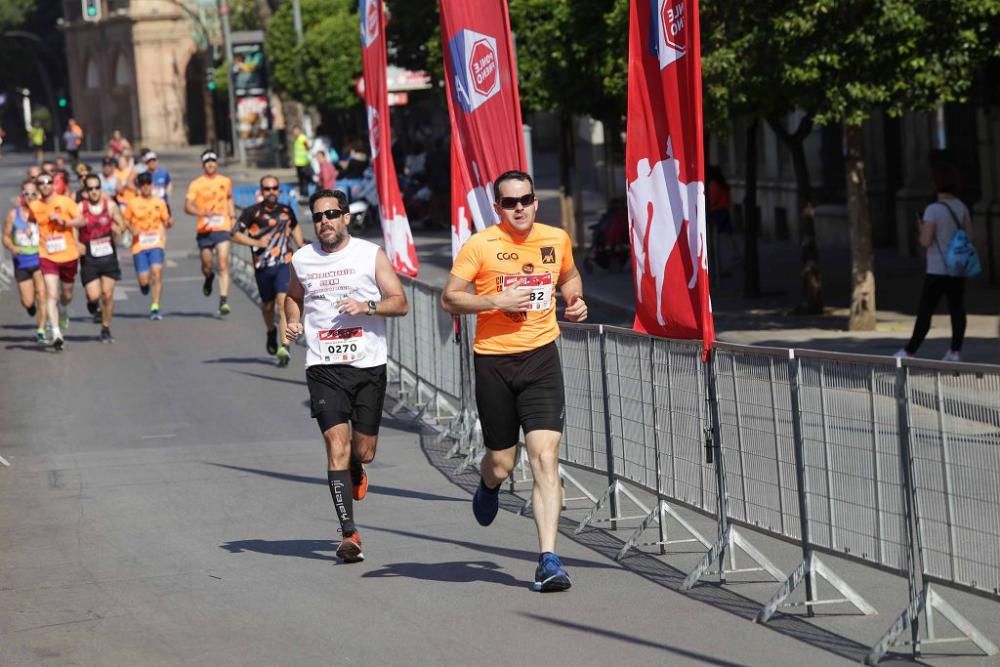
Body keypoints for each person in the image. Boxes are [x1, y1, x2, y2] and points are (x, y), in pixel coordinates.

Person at [441, 169, 588, 592]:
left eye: (525, 199)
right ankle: (489, 483)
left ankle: (548, 559)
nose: (519, 207)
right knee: (503, 461)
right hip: (494, 363)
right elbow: (450, 296)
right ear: (498, 206)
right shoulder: (481, 245)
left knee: (545, 458)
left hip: (541, 358)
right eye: (510, 202)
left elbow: (570, 276)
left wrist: (575, 300)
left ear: (535, 202)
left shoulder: (555, 238)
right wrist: (495, 300)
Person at [284, 188, 408, 563]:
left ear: (346, 217)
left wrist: (367, 306)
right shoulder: (302, 259)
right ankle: (348, 534)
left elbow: (400, 302)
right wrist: (292, 320)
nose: (324, 222)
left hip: (368, 366)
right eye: (318, 216)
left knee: (363, 451)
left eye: (332, 214)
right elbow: (294, 296)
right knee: (335, 445)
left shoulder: (370, 255)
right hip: (324, 368)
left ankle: (356, 466)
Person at [896, 164, 975, 362]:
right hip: (957, 268)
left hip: (937, 269)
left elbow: (925, 241)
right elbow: (970, 236)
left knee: (926, 311)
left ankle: (910, 350)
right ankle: (955, 351)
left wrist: (920, 226)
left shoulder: (933, 210)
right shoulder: (961, 206)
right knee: (957, 308)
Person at [231, 175, 304, 366]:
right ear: (261, 191)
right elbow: (234, 234)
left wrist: (300, 245)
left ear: (279, 190)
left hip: (284, 263)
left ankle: (285, 346)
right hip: (262, 267)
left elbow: (294, 227)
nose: (271, 192)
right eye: (267, 189)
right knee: (268, 307)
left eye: (274, 188)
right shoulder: (251, 212)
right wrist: (255, 242)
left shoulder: (286, 211)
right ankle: (270, 331)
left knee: (282, 303)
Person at [28, 171, 85, 351]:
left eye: (48, 182)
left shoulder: (65, 201)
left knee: (66, 295)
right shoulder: (35, 205)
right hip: (47, 255)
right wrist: (31, 231)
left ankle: (64, 309)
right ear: (38, 187)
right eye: (41, 183)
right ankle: (56, 333)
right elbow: (31, 220)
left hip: (68, 255)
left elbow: (81, 220)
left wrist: (63, 222)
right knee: (50, 294)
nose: (45, 185)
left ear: (53, 184)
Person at [184, 149, 234, 316]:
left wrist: (232, 217)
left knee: (222, 263)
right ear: (203, 165)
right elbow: (187, 206)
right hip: (204, 229)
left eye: (213, 161)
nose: (211, 164)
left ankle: (223, 300)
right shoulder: (196, 184)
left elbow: (229, 198)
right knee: (207, 265)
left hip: (222, 227)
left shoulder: (225, 181)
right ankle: (208, 277)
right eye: (207, 162)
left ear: (217, 163)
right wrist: (201, 213)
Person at [78, 173, 126, 341]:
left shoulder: (110, 206)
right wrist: (77, 244)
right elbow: (72, 229)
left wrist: (118, 229)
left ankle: (105, 327)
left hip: (108, 256)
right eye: (90, 188)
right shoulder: (80, 208)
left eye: (97, 188)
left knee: (107, 294)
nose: (94, 191)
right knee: (93, 295)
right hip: (89, 257)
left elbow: (122, 223)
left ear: (101, 188)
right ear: (85, 191)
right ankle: (92, 303)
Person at [3, 179, 47, 343]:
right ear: (22, 195)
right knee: (27, 300)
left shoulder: (43, 212)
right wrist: (11, 247)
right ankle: (31, 307)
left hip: (40, 259)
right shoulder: (13, 214)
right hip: (22, 261)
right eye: (26, 193)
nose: (29, 196)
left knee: (42, 294)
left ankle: (41, 330)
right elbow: (5, 237)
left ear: (38, 194)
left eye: (33, 193)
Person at [125, 171, 173, 321]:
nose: (146, 187)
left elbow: (167, 220)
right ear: (139, 187)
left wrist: (169, 223)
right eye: (143, 184)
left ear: (152, 185)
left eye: (148, 184)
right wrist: (131, 229)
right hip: (139, 245)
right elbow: (125, 220)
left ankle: (155, 306)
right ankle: (144, 286)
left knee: (157, 272)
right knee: (144, 280)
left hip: (156, 243)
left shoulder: (159, 202)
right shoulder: (133, 203)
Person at [707, 165, 737, 275]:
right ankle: (733, 256)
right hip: (724, 211)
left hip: (716, 213)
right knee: (727, 237)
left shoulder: (714, 185)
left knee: (716, 241)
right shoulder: (724, 185)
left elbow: (712, 201)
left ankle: (719, 267)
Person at [292, 125, 312, 199]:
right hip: (298, 162)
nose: (294, 132)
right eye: (294, 131)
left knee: (304, 179)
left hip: (303, 162)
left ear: (299, 130)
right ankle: (302, 193)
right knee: (300, 179)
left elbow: (307, 147)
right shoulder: (297, 139)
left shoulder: (302, 138)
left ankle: (305, 194)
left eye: (296, 131)